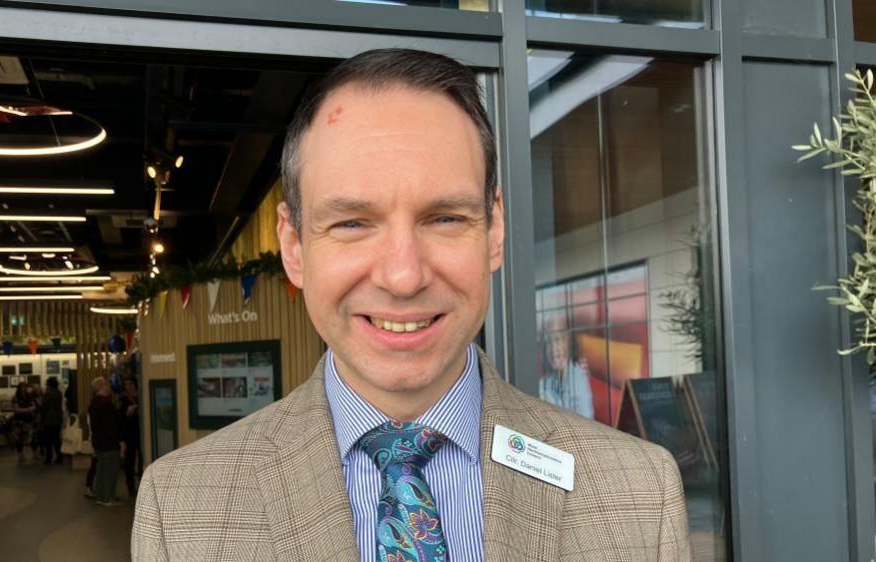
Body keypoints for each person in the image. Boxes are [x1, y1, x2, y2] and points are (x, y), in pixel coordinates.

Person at [133, 48, 691, 561]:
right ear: (294, 244)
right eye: (352, 222)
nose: (403, 276)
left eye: (445, 218)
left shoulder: (640, 496)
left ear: (494, 229)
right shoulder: (180, 512)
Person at [539, 315, 594, 419]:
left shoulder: (578, 377)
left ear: (569, 342)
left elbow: (585, 424)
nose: (554, 348)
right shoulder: (546, 381)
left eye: (559, 340)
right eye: (548, 342)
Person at [88, 376, 125, 506]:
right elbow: (111, 426)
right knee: (111, 471)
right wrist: (121, 441)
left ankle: (100, 496)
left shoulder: (93, 403)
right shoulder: (106, 404)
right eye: (107, 385)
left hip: (98, 442)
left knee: (101, 470)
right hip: (110, 444)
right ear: (101, 387)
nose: (109, 387)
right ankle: (109, 498)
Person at [119, 377, 143, 496]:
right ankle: (131, 487)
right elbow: (121, 419)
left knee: (142, 459)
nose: (129, 386)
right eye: (127, 384)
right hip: (129, 433)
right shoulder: (123, 400)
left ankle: (142, 484)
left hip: (141, 433)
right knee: (130, 460)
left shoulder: (141, 397)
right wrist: (128, 413)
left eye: (131, 384)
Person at [39, 376, 64, 464]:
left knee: (48, 440)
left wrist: (41, 420)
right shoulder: (59, 393)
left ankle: (49, 458)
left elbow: (44, 407)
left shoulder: (47, 393)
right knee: (57, 439)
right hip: (57, 418)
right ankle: (59, 457)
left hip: (48, 420)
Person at [10, 382, 36, 462]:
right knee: (19, 438)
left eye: (25, 387)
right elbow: (16, 409)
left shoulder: (29, 397)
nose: (24, 388)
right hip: (19, 420)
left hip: (29, 420)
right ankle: (20, 454)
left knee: (32, 437)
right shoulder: (15, 398)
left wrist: (28, 410)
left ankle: (35, 453)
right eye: (22, 387)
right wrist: (28, 410)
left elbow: (34, 406)